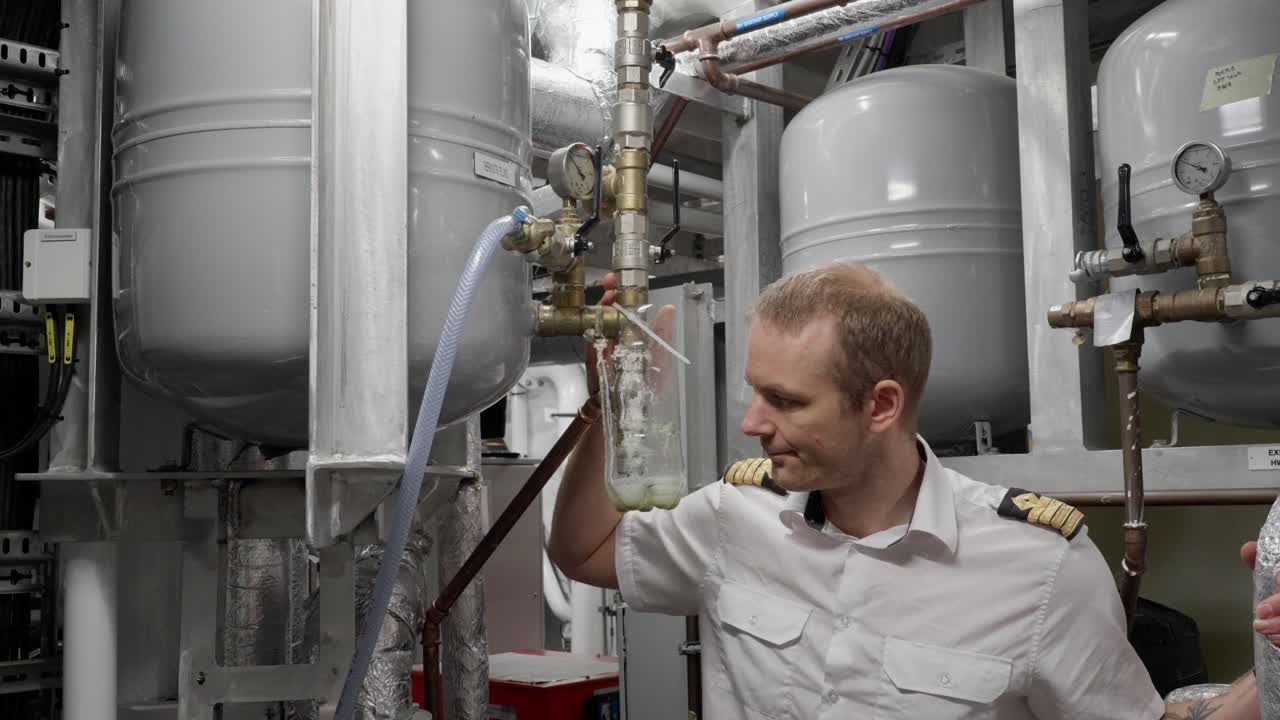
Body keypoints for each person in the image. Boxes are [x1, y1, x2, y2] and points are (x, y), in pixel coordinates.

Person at [550, 262, 1280, 720]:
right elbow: (582, 550)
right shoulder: (733, 517)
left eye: (786, 400)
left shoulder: (1040, 568)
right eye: (754, 393)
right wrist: (607, 403)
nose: (751, 424)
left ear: (880, 406)